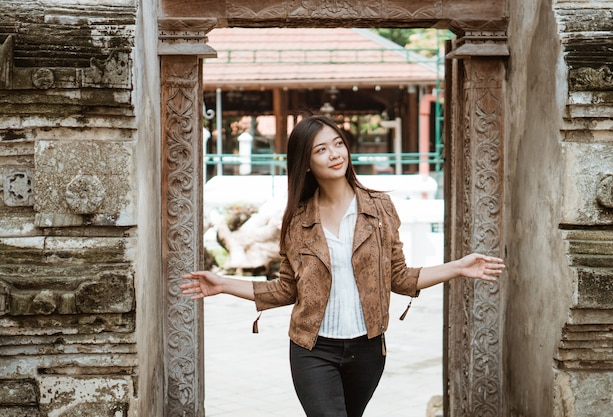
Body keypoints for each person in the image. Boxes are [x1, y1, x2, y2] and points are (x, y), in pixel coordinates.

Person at [180, 115, 505, 417]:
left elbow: (401, 278)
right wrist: (222, 284)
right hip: (312, 349)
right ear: (306, 164)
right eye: (321, 149)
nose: (334, 153)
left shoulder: (380, 208)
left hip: (367, 351)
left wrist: (459, 267)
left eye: (337, 143)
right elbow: (285, 289)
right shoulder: (297, 220)